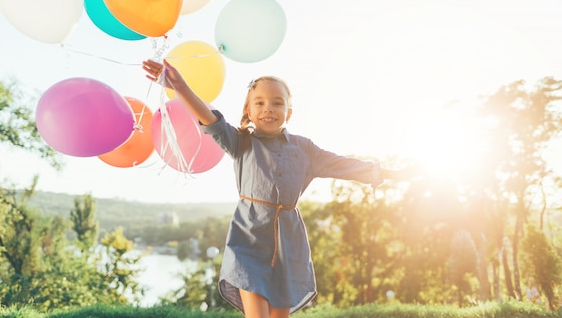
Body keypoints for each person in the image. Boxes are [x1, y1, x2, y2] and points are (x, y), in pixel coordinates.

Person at [142, 59, 421, 318]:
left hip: (289, 245)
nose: (268, 109)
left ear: (288, 111)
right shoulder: (240, 142)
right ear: (248, 112)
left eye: (277, 103)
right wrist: (179, 85)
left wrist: (393, 173)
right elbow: (210, 118)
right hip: (248, 243)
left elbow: (344, 165)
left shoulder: (305, 150)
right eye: (260, 103)